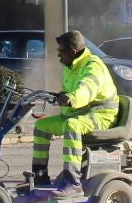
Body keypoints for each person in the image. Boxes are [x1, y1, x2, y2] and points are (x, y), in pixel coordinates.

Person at [28, 31, 120, 190]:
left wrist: (72, 98)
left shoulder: (93, 66)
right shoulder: (70, 66)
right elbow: (71, 90)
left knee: (72, 125)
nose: (58, 55)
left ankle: (72, 181)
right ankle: (40, 177)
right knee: (41, 126)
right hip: (80, 114)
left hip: (102, 115)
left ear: (72, 52)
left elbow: (87, 88)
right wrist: (62, 95)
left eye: (60, 51)